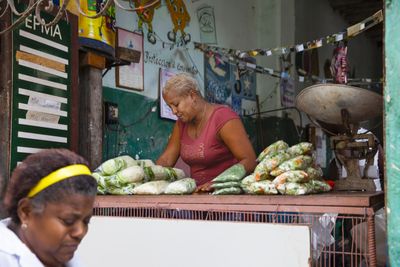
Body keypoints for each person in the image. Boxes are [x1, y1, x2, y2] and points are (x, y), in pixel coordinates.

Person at [0, 148, 98, 267]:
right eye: (68, 221)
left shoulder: (58, 255)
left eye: (86, 221)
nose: (80, 232)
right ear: (26, 211)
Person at [156, 73, 257, 186]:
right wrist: (148, 174)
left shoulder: (223, 118)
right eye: (170, 107)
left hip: (227, 193)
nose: (174, 111)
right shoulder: (181, 124)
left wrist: (216, 183)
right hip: (199, 194)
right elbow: (167, 160)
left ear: (192, 96)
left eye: (176, 104)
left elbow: (249, 161)